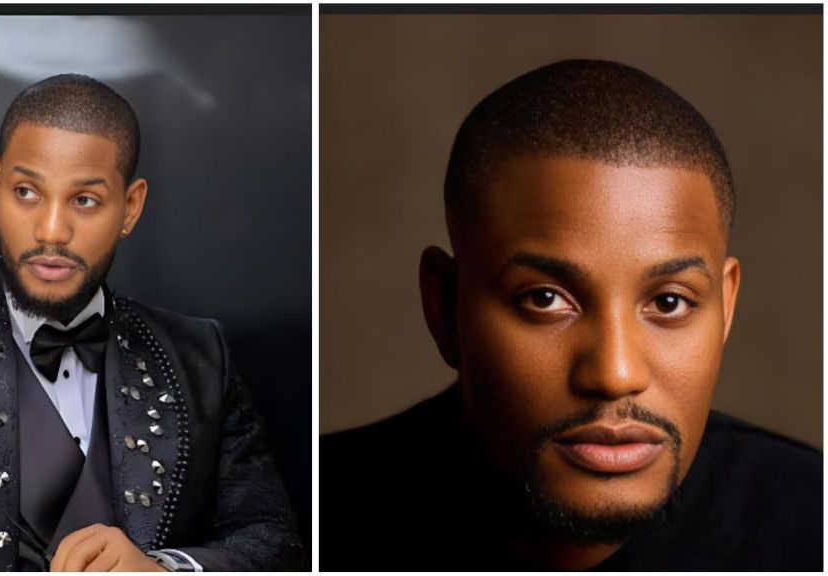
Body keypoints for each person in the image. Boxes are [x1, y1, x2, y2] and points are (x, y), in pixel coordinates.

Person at [320, 59, 821, 570]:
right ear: (445, 304)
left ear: (726, 308)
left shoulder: (811, 524)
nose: (614, 374)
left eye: (669, 302)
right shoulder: (303, 516)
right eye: (544, 299)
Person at [0, 74, 303, 572]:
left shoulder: (202, 357)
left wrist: (165, 568)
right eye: (27, 192)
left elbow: (275, 543)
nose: (51, 231)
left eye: (84, 200)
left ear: (130, 207)